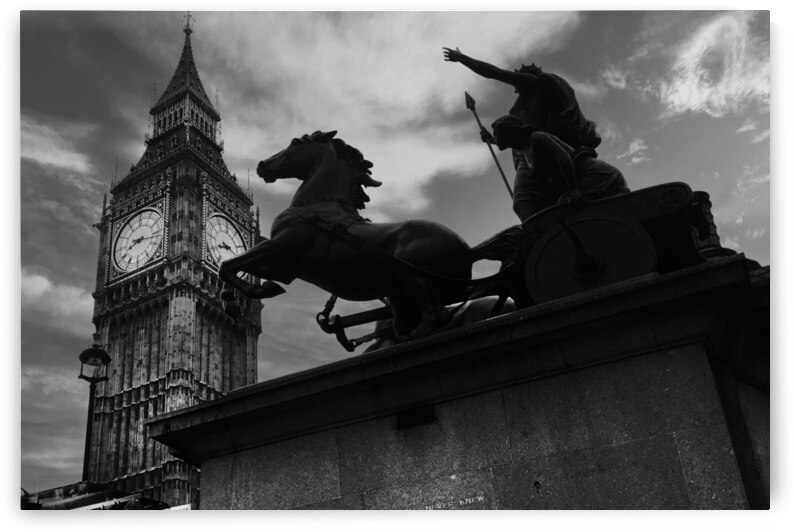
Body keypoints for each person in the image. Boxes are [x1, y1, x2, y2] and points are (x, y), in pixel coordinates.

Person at [443, 46, 628, 221]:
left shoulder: (535, 83)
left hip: (546, 146)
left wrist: (462, 58)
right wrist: (493, 140)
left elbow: (494, 72)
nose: (516, 80)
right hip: (530, 154)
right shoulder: (517, 110)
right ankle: (540, 231)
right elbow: (515, 135)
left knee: (531, 199)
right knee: (523, 202)